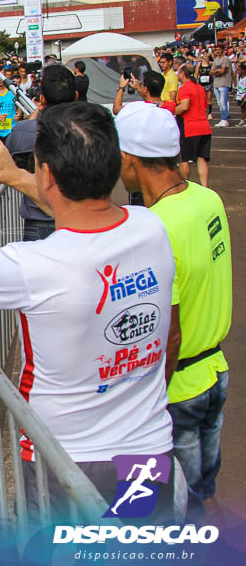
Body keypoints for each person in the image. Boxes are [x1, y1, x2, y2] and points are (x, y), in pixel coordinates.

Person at [0, 102, 177, 523]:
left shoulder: (32, 265)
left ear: (49, 176)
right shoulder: (151, 227)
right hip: (149, 447)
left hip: (65, 461)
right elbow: (81, 204)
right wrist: (12, 175)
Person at [114, 102, 232, 524]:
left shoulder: (156, 228)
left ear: (129, 159)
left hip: (179, 388)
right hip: (216, 371)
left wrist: (147, 404)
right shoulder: (208, 198)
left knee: (174, 508)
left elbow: (172, 334)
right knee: (204, 492)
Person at [5, 64, 77, 241]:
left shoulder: (23, 131)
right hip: (80, 218)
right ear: (75, 96)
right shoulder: (89, 130)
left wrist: (31, 121)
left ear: (42, 98)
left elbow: (12, 156)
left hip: (38, 222)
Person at [174, 64, 211, 187]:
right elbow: (205, 106)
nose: (177, 74)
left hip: (190, 127)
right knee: (202, 158)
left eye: (178, 72)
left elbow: (184, 106)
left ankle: (185, 186)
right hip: (204, 127)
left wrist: (173, 110)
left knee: (184, 159)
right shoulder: (199, 87)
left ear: (183, 74)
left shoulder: (185, 88)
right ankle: (205, 187)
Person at [210, 44, 233, 127]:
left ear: (223, 50)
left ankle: (225, 119)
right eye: (217, 49)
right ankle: (224, 117)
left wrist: (216, 71)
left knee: (223, 102)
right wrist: (217, 71)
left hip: (224, 83)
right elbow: (211, 72)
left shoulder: (225, 59)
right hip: (216, 83)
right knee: (219, 103)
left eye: (219, 49)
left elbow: (223, 71)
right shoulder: (216, 60)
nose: (218, 51)